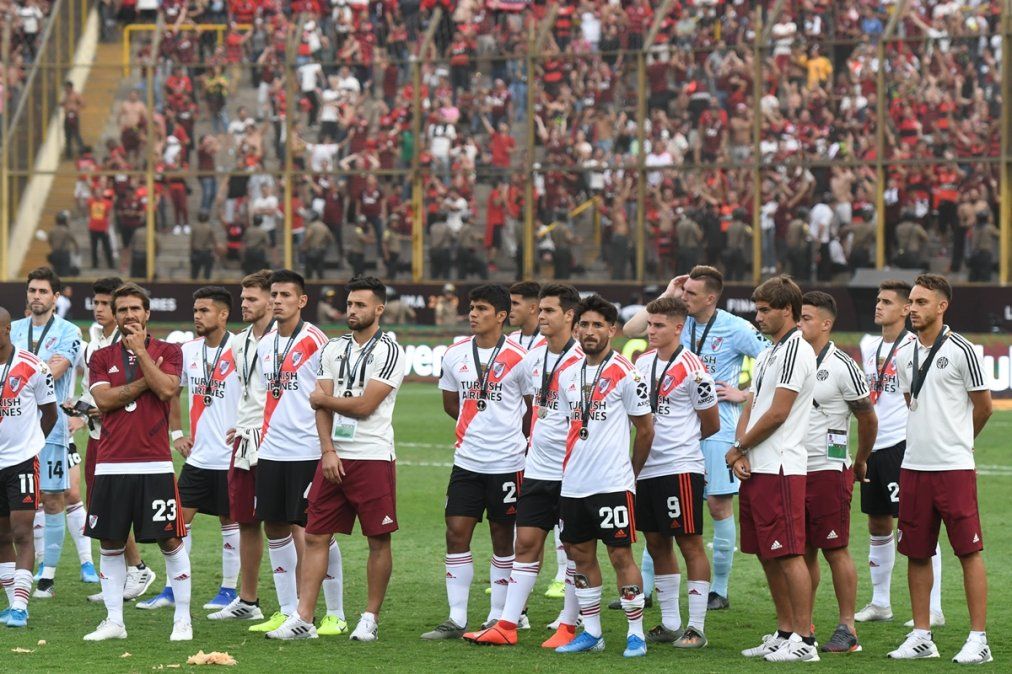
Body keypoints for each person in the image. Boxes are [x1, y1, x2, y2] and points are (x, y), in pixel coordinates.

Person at [623, 266, 768, 611]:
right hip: (671, 430)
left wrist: (745, 393)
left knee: (718, 505)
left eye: (690, 293)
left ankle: (718, 589)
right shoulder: (675, 318)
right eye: (683, 291)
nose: (685, 297)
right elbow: (629, 329)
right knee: (657, 513)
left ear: (711, 298)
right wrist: (669, 294)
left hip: (717, 427)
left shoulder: (737, 327)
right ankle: (645, 589)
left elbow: (772, 362)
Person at [268, 277, 404, 642]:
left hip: (372, 455)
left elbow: (363, 406)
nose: (352, 311)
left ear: (379, 309)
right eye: (350, 305)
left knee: (377, 539)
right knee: (315, 535)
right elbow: (320, 405)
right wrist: (327, 449)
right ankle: (303, 618)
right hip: (332, 457)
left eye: (361, 305)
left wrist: (324, 400)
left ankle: (369, 618)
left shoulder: (389, 351)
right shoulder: (333, 349)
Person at [467, 284, 583, 648]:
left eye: (549, 311)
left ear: (569, 316)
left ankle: (569, 624)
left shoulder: (583, 361)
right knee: (526, 543)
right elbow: (519, 403)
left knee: (577, 549)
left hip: (574, 472)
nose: (542, 317)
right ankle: (507, 624)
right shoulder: (531, 359)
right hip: (536, 469)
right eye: (541, 310)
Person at [888, 274, 993, 664]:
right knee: (916, 552)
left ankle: (978, 639)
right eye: (911, 302)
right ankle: (921, 636)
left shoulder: (962, 350)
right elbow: (910, 402)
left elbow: (982, 407)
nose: (912, 308)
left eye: (920, 302)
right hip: (913, 466)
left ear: (941, 306)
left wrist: (960, 445)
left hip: (953, 468)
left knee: (968, 551)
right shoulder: (903, 354)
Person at [83, 282, 192, 642]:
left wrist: (142, 354)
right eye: (123, 310)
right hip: (112, 464)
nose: (129, 315)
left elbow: (167, 390)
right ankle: (114, 621)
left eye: (135, 309)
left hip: (155, 465)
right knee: (110, 542)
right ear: (115, 316)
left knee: (170, 542)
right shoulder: (99, 357)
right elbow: (106, 401)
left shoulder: (169, 350)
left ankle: (182, 620)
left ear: (147, 313)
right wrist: (148, 378)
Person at [422, 284, 530, 640]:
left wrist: (515, 438)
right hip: (467, 460)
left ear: (500, 316)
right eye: (471, 307)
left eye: (482, 308)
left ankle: (498, 616)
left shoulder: (520, 357)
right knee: (456, 532)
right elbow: (451, 402)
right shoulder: (454, 354)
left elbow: (533, 409)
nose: (473, 314)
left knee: (503, 537)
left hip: (508, 462)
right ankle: (456, 617)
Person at [552, 294, 654, 658]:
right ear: (576, 328)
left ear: (612, 330)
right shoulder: (566, 374)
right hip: (575, 482)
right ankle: (592, 632)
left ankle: (636, 633)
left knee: (620, 556)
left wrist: (632, 471)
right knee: (579, 556)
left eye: (598, 325)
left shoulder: (628, 372)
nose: (590, 331)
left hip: (612, 483)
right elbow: (570, 424)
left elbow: (645, 429)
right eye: (585, 325)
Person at [726, 275, 818, 662]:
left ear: (788, 311)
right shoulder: (768, 353)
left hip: (781, 465)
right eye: (757, 309)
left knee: (789, 552)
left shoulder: (798, 351)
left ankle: (805, 640)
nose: (758, 316)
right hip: (757, 465)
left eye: (765, 310)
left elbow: (779, 412)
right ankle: (784, 631)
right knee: (767, 553)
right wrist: (740, 450)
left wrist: (739, 447)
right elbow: (752, 404)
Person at [249, 271, 345, 635]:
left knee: (316, 531)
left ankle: (333, 612)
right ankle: (288, 609)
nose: (277, 300)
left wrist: (327, 448)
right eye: (273, 294)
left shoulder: (317, 340)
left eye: (285, 295)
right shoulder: (265, 343)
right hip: (273, 449)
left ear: (302, 301)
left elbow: (327, 396)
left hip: (308, 449)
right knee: (274, 525)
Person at [144, 288, 240, 612]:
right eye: (196, 310)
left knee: (231, 521)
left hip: (232, 455)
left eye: (204, 311)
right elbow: (173, 392)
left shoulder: (240, 348)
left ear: (223, 314)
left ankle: (228, 591)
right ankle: (172, 588)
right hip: (198, 455)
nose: (197, 316)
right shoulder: (188, 350)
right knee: (177, 523)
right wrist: (177, 433)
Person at [855, 280, 944, 627]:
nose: (879, 306)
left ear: (907, 309)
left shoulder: (917, 345)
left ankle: (933, 609)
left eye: (887, 301)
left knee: (918, 524)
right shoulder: (869, 346)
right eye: (878, 300)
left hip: (904, 447)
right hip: (873, 447)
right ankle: (880, 602)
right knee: (877, 523)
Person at [633, 297, 719, 648]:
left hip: (680, 468)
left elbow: (711, 423)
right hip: (645, 468)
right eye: (649, 325)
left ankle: (696, 626)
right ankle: (670, 621)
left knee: (690, 542)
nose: (651, 331)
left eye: (658, 326)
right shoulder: (641, 361)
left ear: (678, 327)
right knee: (655, 543)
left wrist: (679, 443)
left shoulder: (694, 368)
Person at [797, 291, 878, 654]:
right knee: (802, 552)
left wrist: (859, 459)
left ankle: (848, 629)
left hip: (829, 468)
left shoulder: (843, 365)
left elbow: (867, 417)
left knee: (835, 549)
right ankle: (802, 626)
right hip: (794, 468)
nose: (800, 323)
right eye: (799, 317)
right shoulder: (790, 359)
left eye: (807, 318)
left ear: (826, 323)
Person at [79, 278, 156, 604]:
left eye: (103, 303)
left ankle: (138, 568)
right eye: (95, 303)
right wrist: (84, 411)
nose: (99, 309)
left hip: (125, 439)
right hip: (97, 433)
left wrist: (102, 405)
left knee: (115, 509)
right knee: (101, 508)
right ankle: (128, 572)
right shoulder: (94, 341)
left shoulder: (131, 344)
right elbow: (93, 391)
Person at [9, 268, 82, 598]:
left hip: (51, 428)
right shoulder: (13, 329)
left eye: (43, 291)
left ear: (56, 297)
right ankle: (11, 570)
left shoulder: (70, 331)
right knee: (13, 503)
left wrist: (21, 371)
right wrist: (39, 367)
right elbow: (42, 370)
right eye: (32, 290)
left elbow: (57, 370)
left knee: (53, 499)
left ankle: (47, 577)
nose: (36, 296)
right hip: (11, 430)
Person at [209, 271, 272, 622]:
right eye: (243, 298)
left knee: (293, 523)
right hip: (246, 441)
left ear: (271, 300)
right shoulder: (239, 342)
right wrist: (242, 422)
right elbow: (249, 391)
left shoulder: (289, 340)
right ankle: (248, 601)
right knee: (246, 520)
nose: (244, 305)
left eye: (252, 299)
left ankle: (300, 606)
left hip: (281, 443)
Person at [0, 306, 58, 627]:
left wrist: (31, 445)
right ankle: (12, 605)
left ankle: (21, 607)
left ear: (7, 330)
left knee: (22, 533)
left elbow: (50, 414)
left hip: (21, 462)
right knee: (1, 536)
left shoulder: (33, 367)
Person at [507, 281, 544, 351]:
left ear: (532, 308)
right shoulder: (511, 339)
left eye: (515, 303)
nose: (509, 308)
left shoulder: (549, 341)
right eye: (509, 303)